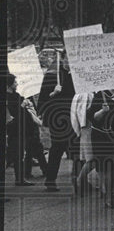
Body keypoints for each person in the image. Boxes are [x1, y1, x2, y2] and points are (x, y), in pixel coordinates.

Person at [38, 52, 76, 191]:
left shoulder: (76, 76)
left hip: (73, 117)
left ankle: (79, 179)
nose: (71, 62)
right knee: (57, 149)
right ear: (63, 59)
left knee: (77, 149)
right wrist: (53, 93)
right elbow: (43, 97)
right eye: (69, 58)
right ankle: (50, 180)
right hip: (57, 118)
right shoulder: (52, 76)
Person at [4, 74, 45, 186]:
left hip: (24, 130)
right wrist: (22, 105)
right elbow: (12, 115)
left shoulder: (16, 95)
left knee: (19, 155)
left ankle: (20, 179)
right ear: (10, 84)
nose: (17, 84)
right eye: (15, 82)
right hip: (15, 130)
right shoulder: (7, 98)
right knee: (13, 156)